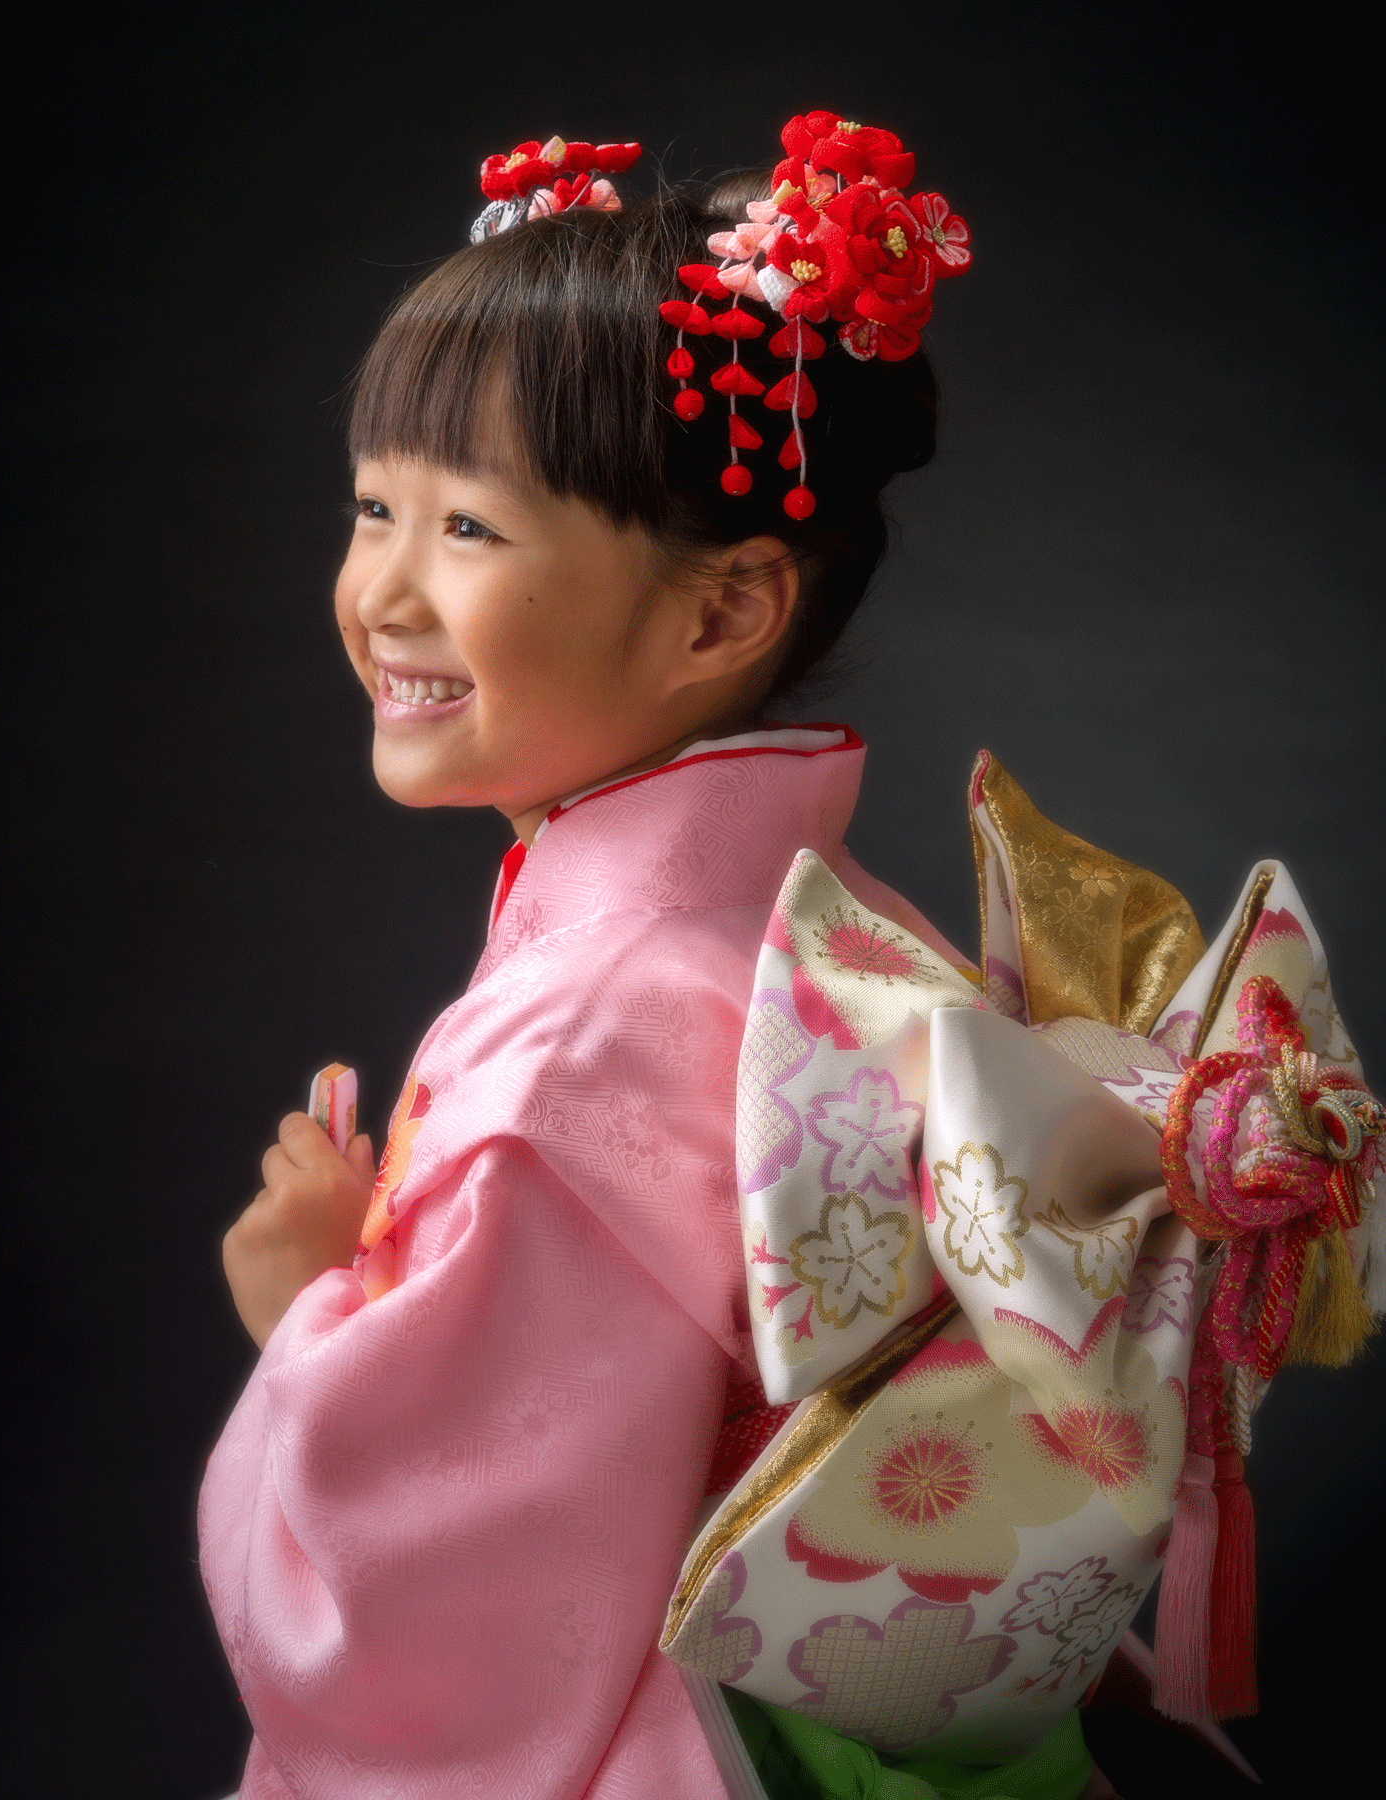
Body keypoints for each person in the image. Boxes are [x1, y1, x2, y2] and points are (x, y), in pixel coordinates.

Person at [199, 114, 1381, 1800]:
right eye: (375, 505)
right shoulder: (828, 936)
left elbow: (463, 1616)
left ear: (721, 611)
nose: (381, 589)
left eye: (469, 529)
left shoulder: (573, 1045)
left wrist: (311, 1318)